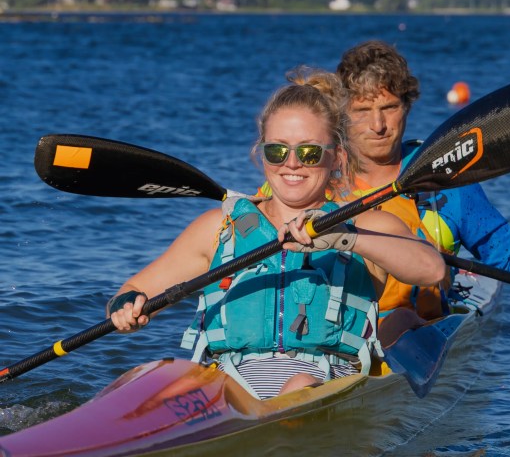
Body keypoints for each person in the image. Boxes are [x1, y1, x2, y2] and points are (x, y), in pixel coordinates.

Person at [106, 68, 446, 400]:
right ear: (261, 153)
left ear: (338, 158)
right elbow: (133, 290)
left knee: (298, 385)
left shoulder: (367, 225)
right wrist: (125, 309)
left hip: (320, 385)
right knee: (144, 379)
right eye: (278, 150)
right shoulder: (218, 228)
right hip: (228, 392)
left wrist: (346, 238)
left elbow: (431, 269)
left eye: (309, 152)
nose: (292, 163)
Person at [334, 40, 510, 322]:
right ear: (342, 114)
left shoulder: (444, 177)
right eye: (362, 111)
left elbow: (504, 248)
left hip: (420, 332)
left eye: (389, 107)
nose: (378, 125)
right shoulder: (320, 180)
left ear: (407, 107)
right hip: (337, 341)